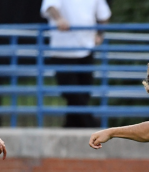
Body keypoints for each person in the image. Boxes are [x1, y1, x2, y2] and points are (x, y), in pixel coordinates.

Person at [40, 0, 111, 128]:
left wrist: (100, 34)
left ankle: (70, 126)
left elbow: (104, 15)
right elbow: (50, 6)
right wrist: (59, 19)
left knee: (83, 94)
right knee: (72, 93)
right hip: (62, 51)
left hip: (86, 49)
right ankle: (92, 125)